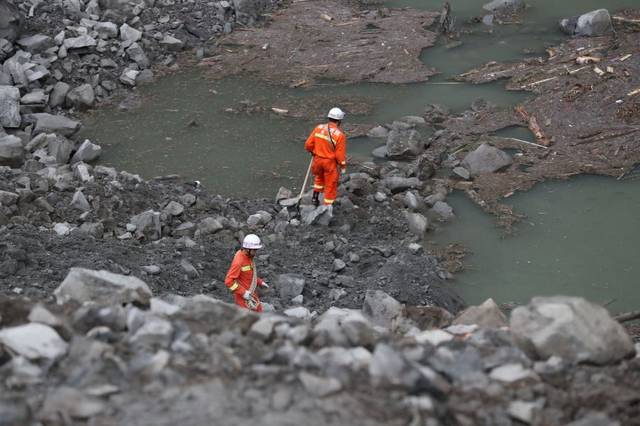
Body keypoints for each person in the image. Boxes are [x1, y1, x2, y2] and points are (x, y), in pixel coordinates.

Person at [304, 107, 347, 209]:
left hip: (317, 160)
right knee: (330, 184)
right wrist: (343, 165)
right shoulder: (340, 135)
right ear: (339, 120)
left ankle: (315, 198)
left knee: (319, 178)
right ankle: (328, 206)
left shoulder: (318, 127)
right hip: (329, 163)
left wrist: (313, 151)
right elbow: (339, 154)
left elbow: (308, 144)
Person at [224, 234, 269, 312]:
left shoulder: (248, 257)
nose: (255, 252)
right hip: (243, 300)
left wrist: (260, 282)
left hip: (251, 294)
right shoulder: (239, 261)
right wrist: (243, 292)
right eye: (254, 250)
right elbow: (229, 281)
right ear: (248, 249)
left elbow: (249, 274)